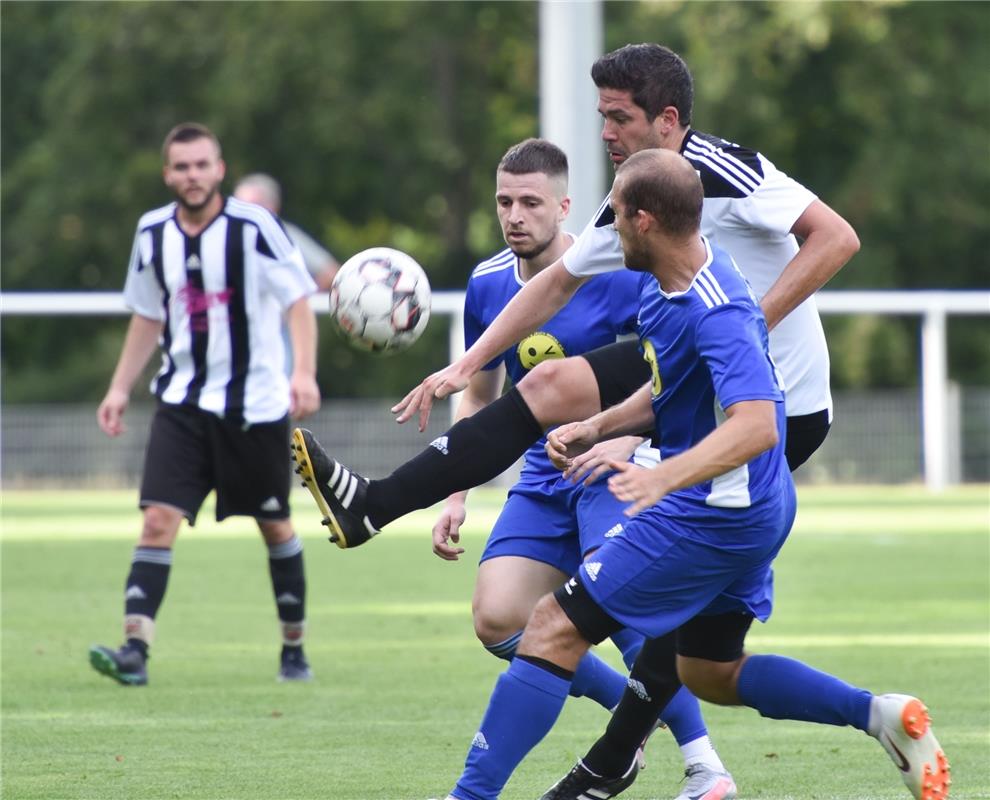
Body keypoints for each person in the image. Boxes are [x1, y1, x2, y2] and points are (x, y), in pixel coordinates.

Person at [433, 148, 948, 800]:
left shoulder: (718, 309)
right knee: (709, 671)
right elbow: (669, 387)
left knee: (551, 627)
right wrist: (601, 425)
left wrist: (663, 476)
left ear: (643, 221)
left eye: (614, 217)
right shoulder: (674, 285)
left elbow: (758, 424)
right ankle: (880, 714)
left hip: (715, 512)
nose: (606, 231)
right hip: (750, 505)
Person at [286, 42, 860, 555]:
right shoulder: (631, 196)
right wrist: (465, 365)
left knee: (678, 624)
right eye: (601, 117)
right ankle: (371, 506)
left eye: (619, 118)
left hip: (777, 402)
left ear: (667, 120)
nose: (606, 133)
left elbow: (837, 237)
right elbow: (557, 282)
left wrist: (750, 330)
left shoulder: (727, 172)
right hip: (697, 377)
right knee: (545, 385)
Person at [295, 138, 737, 797]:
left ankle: (705, 766)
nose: (515, 215)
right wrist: (455, 495)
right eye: (504, 201)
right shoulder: (488, 282)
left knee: (627, 617)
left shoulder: (618, 273)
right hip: (540, 477)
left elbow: (661, 374)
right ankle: (628, 721)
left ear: (565, 207)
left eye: (531, 202)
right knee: (498, 619)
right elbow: (483, 396)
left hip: (613, 469)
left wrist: (628, 445)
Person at [89, 122, 322, 686]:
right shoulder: (151, 234)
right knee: (157, 521)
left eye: (202, 165)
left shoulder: (255, 226)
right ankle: (134, 650)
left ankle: (293, 648)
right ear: (168, 173)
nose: (192, 176)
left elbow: (298, 300)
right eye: (181, 166)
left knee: (275, 525)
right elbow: (149, 314)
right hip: (181, 406)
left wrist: (304, 374)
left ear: (219, 169)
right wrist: (120, 386)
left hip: (254, 408)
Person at [233, 173, 339, 291]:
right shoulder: (225, 236)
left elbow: (330, 272)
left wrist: (301, 302)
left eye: (249, 206)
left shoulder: (285, 235)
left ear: (271, 206)